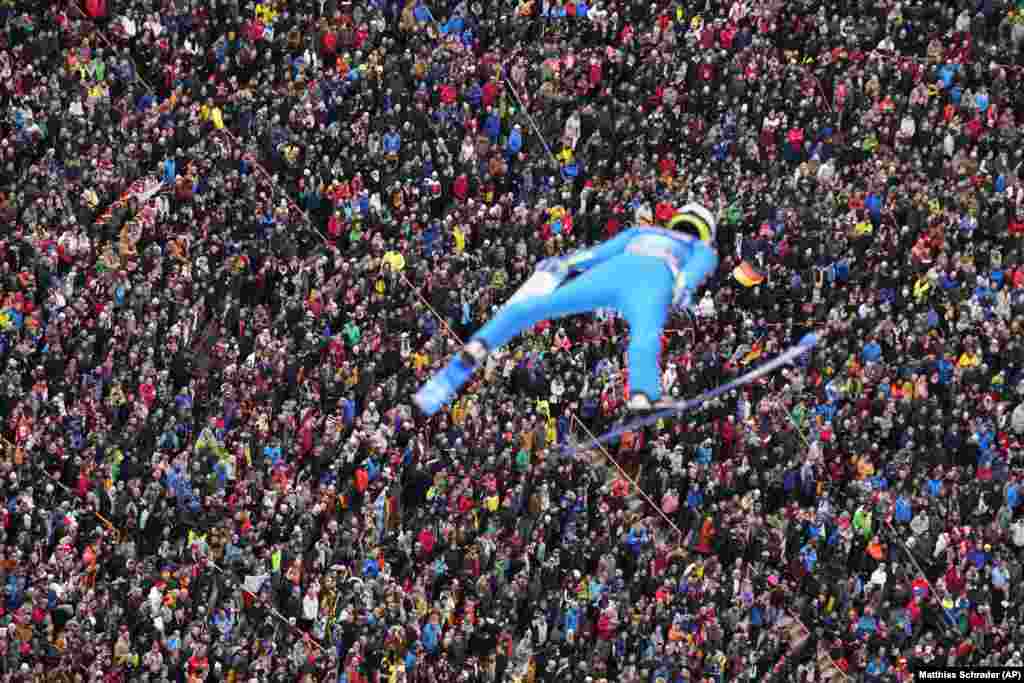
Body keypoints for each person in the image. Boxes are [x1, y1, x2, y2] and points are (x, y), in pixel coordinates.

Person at [414, 203, 719, 415]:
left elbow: (597, 253)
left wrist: (564, 264)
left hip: (612, 272)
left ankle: (482, 342)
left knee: (543, 306)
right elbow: (694, 271)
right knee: (645, 336)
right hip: (652, 284)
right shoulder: (700, 248)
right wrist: (683, 289)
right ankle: (642, 393)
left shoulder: (642, 232)